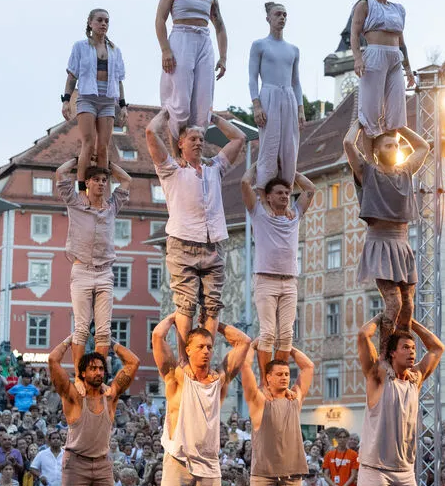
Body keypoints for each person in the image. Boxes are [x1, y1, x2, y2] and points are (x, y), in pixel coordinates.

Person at [152, 314, 253, 486]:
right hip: (178, 457)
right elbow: (157, 336)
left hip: (209, 461)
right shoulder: (176, 376)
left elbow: (243, 342)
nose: (206, 351)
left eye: (209, 347)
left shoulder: (219, 381)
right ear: (188, 349)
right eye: (200, 346)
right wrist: (176, 316)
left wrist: (215, 323)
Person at [355, 317, 445, 486]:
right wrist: (386, 317)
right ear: (392, 352)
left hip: (404, 468)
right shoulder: (378, 378)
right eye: (405, 347)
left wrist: (411, 322)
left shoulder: (415, 379)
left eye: (413, 349)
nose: (411, 352)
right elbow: (363, 335)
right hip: (375, 466)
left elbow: (437, 348)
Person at [147, 111, 245, 344]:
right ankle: (184, 355)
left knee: (212, 305)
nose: (199, 142)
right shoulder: (172, 169)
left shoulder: (214, 167)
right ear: (180, 144)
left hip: (213, 243)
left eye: (201, 139)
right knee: (186, 304)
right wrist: (168, 113)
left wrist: (212, 118)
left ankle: (205, 350)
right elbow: (150, 132)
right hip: (183, 243)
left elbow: (239, 138)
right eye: (193, 139)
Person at [47, 336, 139, 486]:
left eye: (101, 368)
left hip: (102, 464)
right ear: (83, 373)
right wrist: (71, 339)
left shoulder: (111, 396)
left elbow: (133, 363)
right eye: (92, 368)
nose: (98, 372)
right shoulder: (73, 396)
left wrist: (111, 342)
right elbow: (52, 360)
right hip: (75, 462)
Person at [344, 112, 430, 336]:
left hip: (401, 243)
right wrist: (361, 123)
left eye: (396, 146)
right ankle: (384, 354)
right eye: (388, 146)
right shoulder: (367, 172)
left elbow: (422, 147)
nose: (395, 149)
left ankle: (402, 348)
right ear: (376, 150)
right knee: (394, 305)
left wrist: (399, 127)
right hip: (380, 241)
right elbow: (347, 143)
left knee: (408, 306)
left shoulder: (404, 172)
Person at [238, 344, 314, 486]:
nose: (284, 378)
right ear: (268, 378)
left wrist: (288, 347)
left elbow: (308, 366)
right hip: (263, 470)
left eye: (287, 374)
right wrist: (251, 347)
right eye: (279, 374)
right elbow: (245, 370)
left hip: (293, 468)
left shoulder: (294, 399)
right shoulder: (259, 402)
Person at [55, 158, 132, 363]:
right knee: (81, 328)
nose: (101, 183)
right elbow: (60, 174)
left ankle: (99, 371)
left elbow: (126, 180)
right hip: (82, 271)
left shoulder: (112, 207)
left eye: (104, 180)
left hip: (105, 272)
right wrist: (77, 160)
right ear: (87, 183)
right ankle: (80, 374)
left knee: (104, 330)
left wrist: (109, 165)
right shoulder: (76, 204)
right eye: (96, 179)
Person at [240, 165, 315, 376]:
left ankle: (279, 375)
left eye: (287, 193)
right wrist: (257, 166)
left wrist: (292, 173)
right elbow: (245, 184)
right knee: (267, 333)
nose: (284, 196)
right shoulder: (259, 214)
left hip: (290, 281)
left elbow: (310, 190)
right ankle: (266, 380)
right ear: (269, 197)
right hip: (266, 280)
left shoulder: (294, 216)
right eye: (279, 193)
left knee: (287, 335)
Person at [154, 0, 228, 145]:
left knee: (203, 102)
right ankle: (175, 147)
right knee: (180, 101)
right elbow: (160, 19)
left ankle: (195, 147)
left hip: (203, 41)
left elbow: (220, 26)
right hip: (181, 38)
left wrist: (223, 57)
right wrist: (165, 50)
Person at [349, 0, 414, 167]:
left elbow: (402, 41)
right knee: (370, 113)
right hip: (375, 54)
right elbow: (354, 33)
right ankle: (370, 161)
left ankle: (391, 160)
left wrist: (408, 68)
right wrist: (358, 57)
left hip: (394, 57)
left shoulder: (398, 9)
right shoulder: (365, 4)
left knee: (396, 112)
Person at [61, 8, 128, 190]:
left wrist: (123, 105)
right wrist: (66, 100)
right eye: (99, 20)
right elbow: (72, 76)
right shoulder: (80, 47)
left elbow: (119, 80)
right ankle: (82, 187)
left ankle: (102, 188)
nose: (103, 24)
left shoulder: (115, 50)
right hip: (87, 97)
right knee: (88, 143)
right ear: (90, 23)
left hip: (107, 99)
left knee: (103, 146)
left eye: (106, 21)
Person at [248, 1, 304, 191]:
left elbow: (296, 81)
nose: (282, 18)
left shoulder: (293, 50)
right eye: (278, 14)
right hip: (269, 94)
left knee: (290, 146)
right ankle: (263, 190)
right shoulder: (259, 45)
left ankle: (285, 189)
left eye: (284, 15)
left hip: (288, 96)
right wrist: (256, 105)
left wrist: (301, 108)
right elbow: (252, 78)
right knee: (269, 146)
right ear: (268, 18)